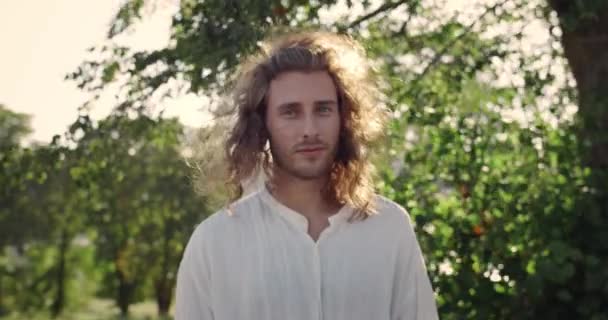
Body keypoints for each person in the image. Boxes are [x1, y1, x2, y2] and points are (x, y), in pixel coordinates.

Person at [175, 30, 438, 320]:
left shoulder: (390, 228)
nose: (310, 129)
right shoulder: (214, 243)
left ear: (344, 118)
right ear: (263, 124)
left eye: (323, 109)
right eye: (291, 112)